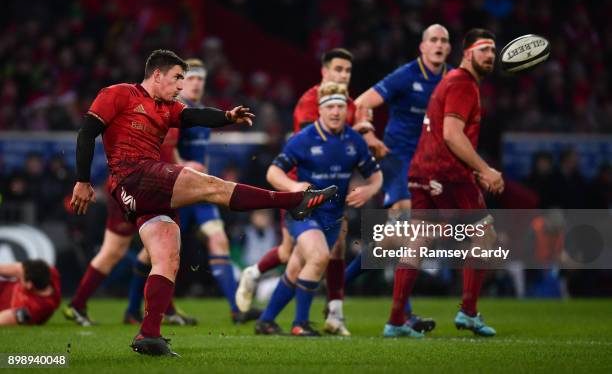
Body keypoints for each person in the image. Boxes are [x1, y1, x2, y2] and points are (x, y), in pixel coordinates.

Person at [70, 49, 337, 356]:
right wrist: (82, 180)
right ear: (157, 74)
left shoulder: (167, 108)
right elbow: (87, 133)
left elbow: (194, 116)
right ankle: (292, 201)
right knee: (213, 186)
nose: (181, 86)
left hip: (143, 191)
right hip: (133, 174)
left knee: (167, 256)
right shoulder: (118, 93)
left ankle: (148, 335)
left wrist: (227, 117)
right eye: (177, 78)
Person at [120, 58, 261, 324]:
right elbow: (163, 151)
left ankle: (236, 309)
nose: (196, 84)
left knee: (218, 240)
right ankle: (134, 309)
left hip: (198, 190)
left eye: (200, 79)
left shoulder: (201, 112)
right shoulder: (174, 112)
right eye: (191, 78)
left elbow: (201, 157)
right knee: (154, 254)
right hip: (176, 188)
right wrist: (183, 165)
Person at [384, 28, 504, 338]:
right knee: (485, 236)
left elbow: (443, 133)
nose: (490, 55)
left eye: (493, 50)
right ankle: (468, 312)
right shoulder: (463, 83)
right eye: (483, 49)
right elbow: (452, 134)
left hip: (422, 171)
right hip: (447, 176)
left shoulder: (449, 81)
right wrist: (484, 169)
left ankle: (395, 321)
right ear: (467, 53)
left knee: (419, 240)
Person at [236, 48, 364, 336]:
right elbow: (321, 147)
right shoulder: (310, 102)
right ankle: (308, 317)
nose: (343, 75)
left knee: (302, 257)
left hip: (330, 192)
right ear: (324, 71)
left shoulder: (350, 104)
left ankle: (273, 316)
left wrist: (365, 136)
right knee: (308, 255)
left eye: (348, 71)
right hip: (302, 191)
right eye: (338, 69)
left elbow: (348, 142)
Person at [347, 24, 453, 332]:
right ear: (422, 46)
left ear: (449, 49)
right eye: (433, 39)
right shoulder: (406, 75)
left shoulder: (453, 80)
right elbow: (363, 103)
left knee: (399, 241)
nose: (438, 45)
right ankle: (402, 316)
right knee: (407, 229)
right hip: (397, 159)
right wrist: (367, 133)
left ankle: (340, 283)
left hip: (431, 164)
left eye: (444, 41)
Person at [254, 82, 382, 336]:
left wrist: (369, 190)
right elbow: (272, 172)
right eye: (330, 106)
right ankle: (300, 324)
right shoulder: (303, 139)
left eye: (340, 107)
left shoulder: (354, 141)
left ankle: (265, 321)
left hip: (333, 217)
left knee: (296, 267)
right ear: (320, 110)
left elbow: (375, 176)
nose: (336, 112)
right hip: (304, 212)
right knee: (319, 256)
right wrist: (293, 185)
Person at [64, 135, 197, 327]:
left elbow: (170, 153)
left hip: (157, 187)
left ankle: (152, 309)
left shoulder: (173, 113)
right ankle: (80, 304)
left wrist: (186, 166)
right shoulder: (147, 112)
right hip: (134, 185)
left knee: (162, 251)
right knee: (117, 251)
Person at [0, 260, 61, 325]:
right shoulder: (49, 273)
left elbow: (3, 319)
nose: (20, 276)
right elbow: (19, 269)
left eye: (22, 277)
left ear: (29, 285)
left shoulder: (33, 310)